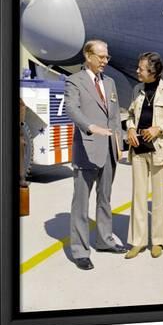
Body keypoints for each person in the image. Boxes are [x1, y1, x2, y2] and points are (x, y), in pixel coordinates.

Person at [64, 39, 126, 270]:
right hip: (87, 149)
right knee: (81, 203)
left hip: (109, 149)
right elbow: (72, 108)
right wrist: (90, 127)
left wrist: (118, 144)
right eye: (101, 57)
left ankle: (104, 240)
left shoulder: (109, 82)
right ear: (88, 56)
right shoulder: (74, 81)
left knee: (105, 199)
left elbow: (115, 116)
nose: (105, 61)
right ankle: (80, 250)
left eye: (106, 57)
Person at [125, 52, 163, 259]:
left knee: (158, 197)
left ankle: (158, 241)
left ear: (153, 72)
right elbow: (130, 115)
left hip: (158, 150)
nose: (137, 71)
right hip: (138, 149)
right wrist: (130, 129)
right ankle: (137, 241)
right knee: (138, 196)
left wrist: (158, 129)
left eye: (141, 68)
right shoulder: (137, 90)